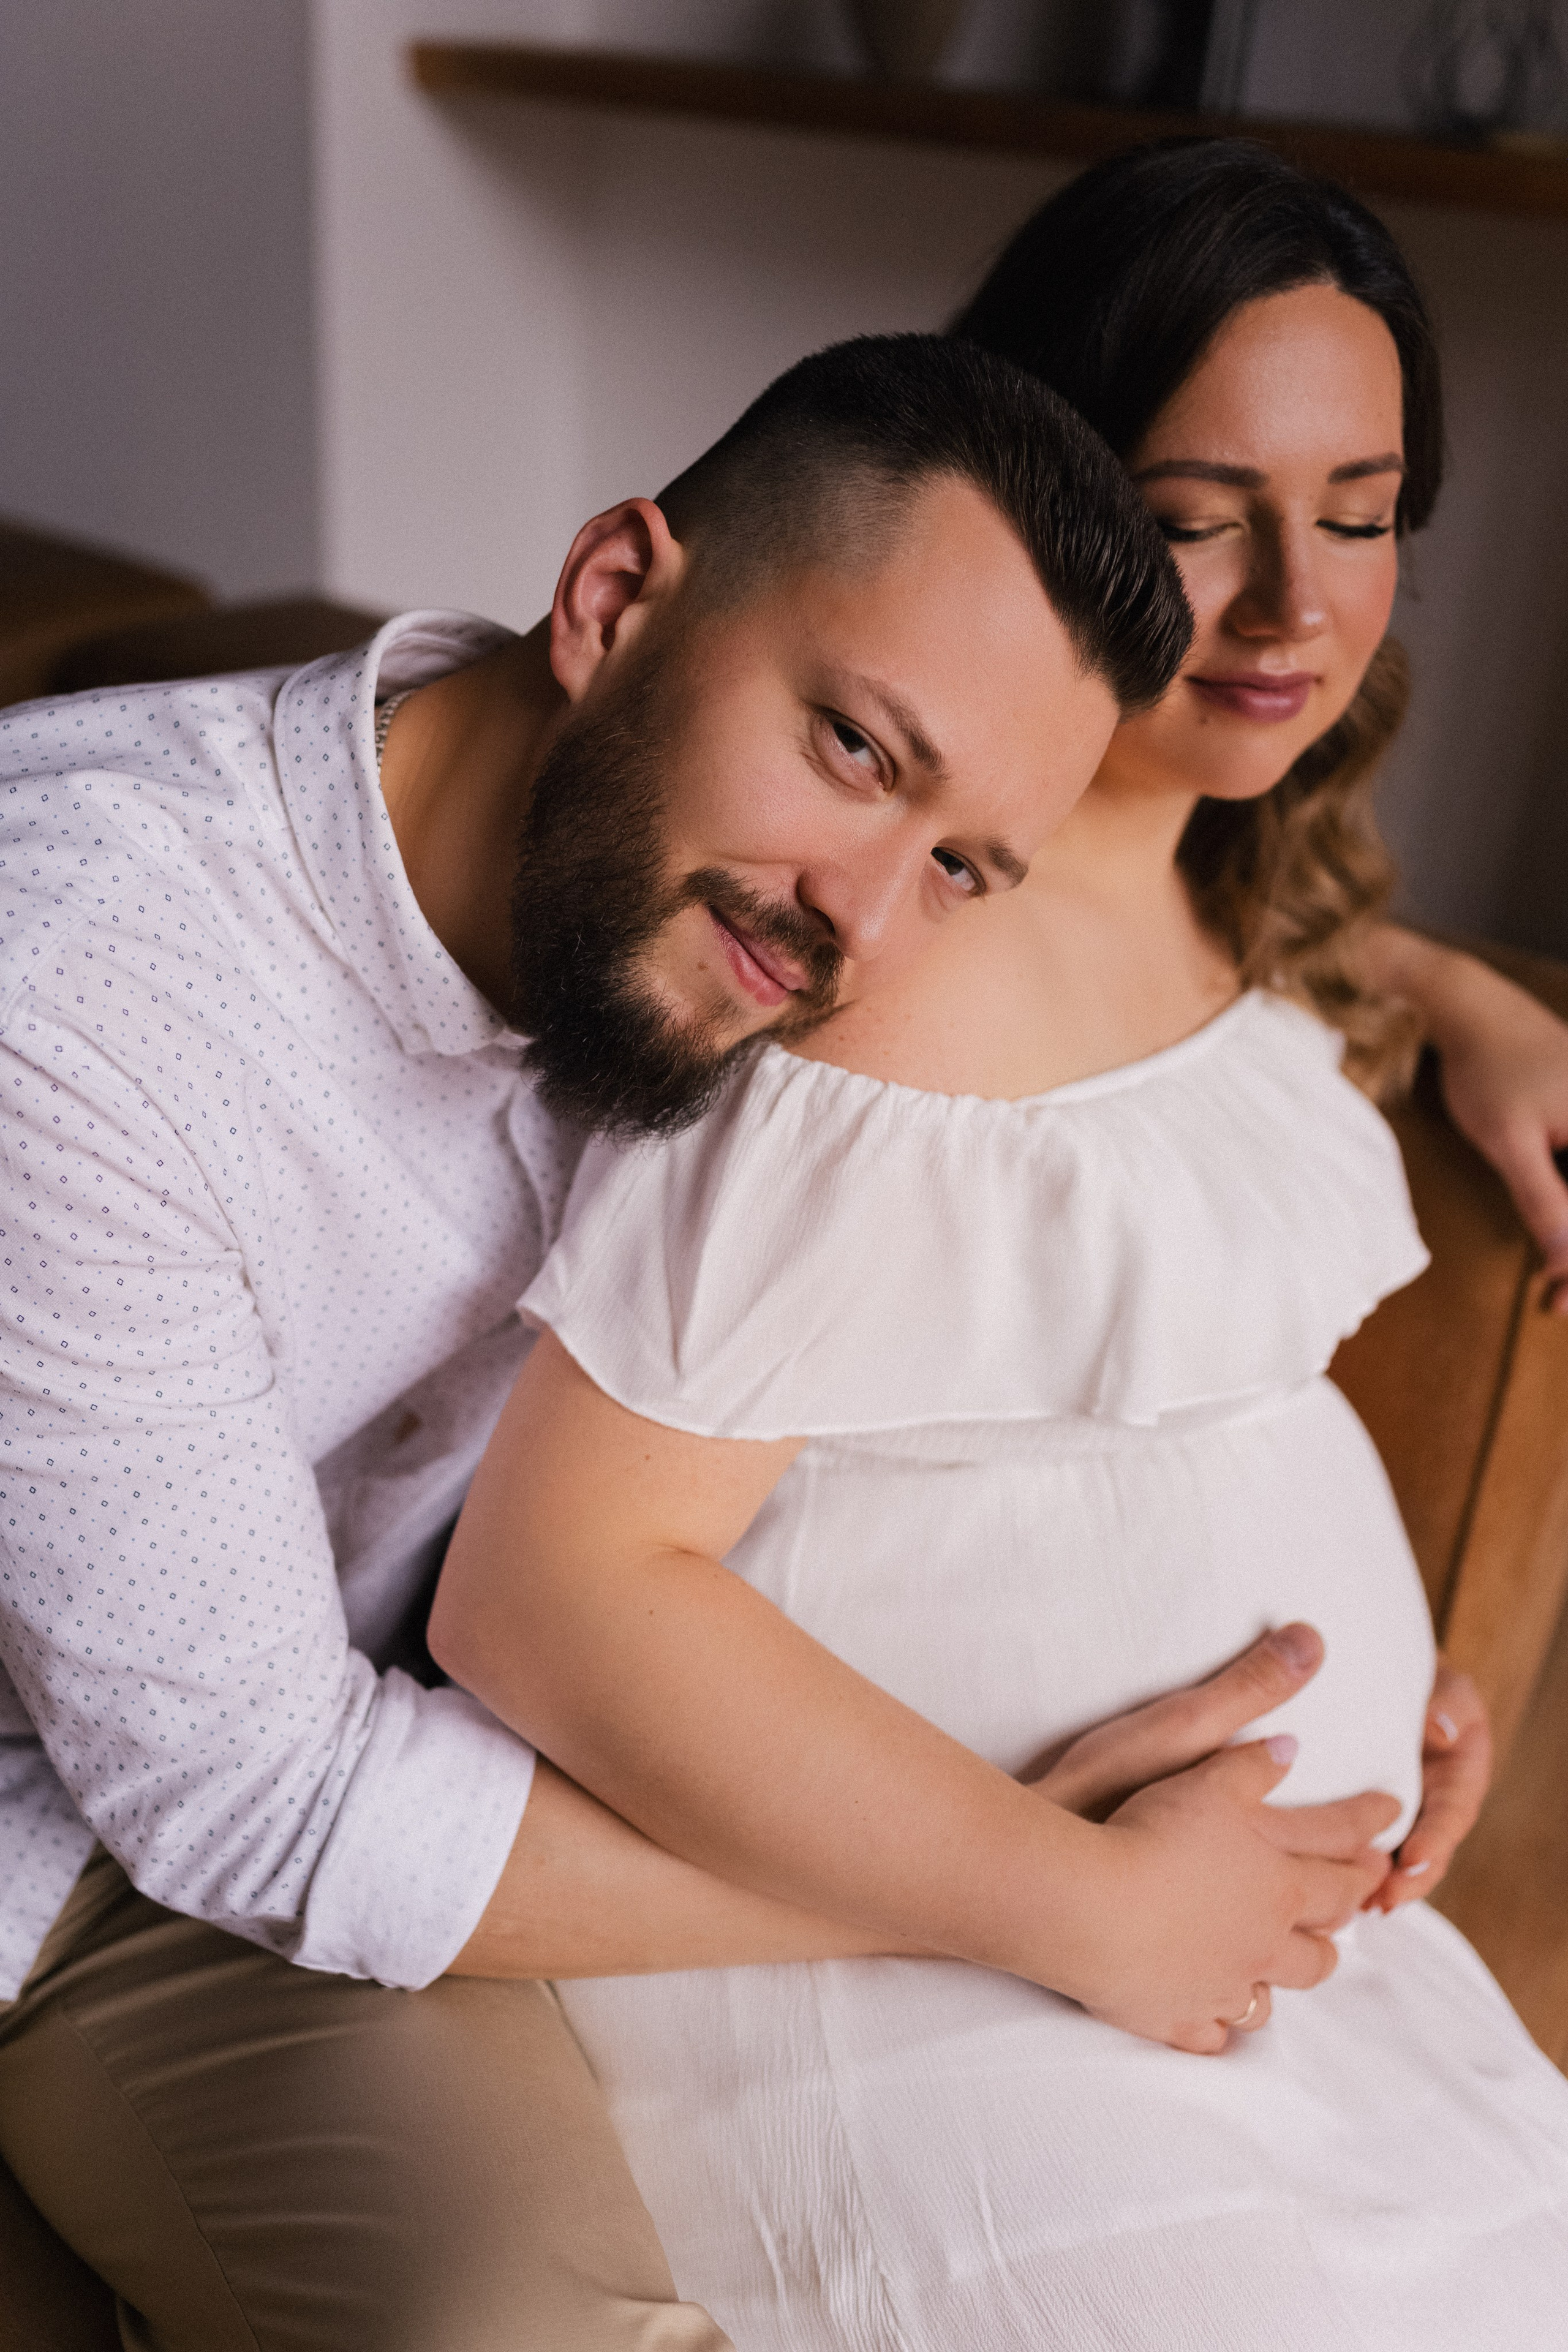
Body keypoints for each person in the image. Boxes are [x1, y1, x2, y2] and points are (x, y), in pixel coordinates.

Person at [0, 332, 1390, 2352]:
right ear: (609, 597)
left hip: (295, 1791)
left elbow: (1134, 970)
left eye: (960, 866)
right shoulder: (78, 995)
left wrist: (1461, 1002)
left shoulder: (708, 907)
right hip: (137, 1822)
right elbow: (263, 1804)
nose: (862, 929)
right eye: (856, 751)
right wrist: (1047, 1889)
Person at [427, 147, 1568, 2345]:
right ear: (1048, 501)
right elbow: (554, 1590)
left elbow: (1169, 1212)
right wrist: (1078, 1906)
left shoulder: (1235, 885)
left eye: (1361, 514)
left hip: (1280, 1960)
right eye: (1203, 514)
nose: (1295, 608)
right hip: (939, 1975)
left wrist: (1472, 1001)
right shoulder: (876, 970)